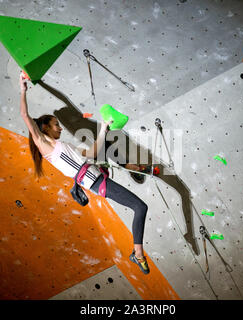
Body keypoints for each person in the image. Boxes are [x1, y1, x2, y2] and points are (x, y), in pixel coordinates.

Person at [19, 73, 150, 274]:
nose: (60, 128)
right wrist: (23, 89)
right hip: (96, 183)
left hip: (96, 174)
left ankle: (133, 168)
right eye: (56, 125)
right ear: (45, 128)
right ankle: (137, 254)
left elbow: (92, 153)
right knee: (140, 207)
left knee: (108, 148)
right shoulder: (45, 146)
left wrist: (104, 128)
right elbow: (25, 117)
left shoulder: (65, 145)